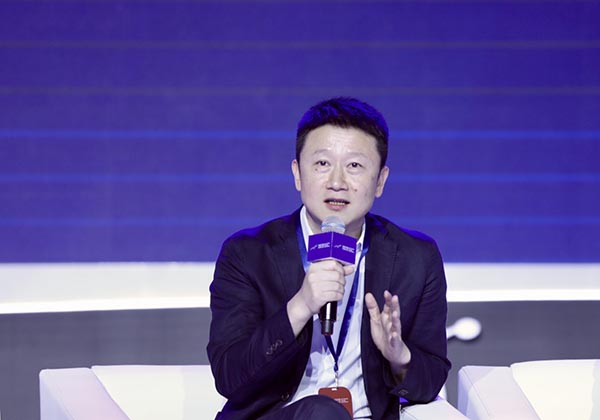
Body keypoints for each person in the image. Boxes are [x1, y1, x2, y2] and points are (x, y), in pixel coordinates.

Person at [207, 97, 450, 420]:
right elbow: (229, 377)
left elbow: (430, 379)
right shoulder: (248, 253)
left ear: (380, 181)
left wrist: (398, 356)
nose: (337, 182)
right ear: (297, 174)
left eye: (354, 166)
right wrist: (301, 306)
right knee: (321, 413)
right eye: (322, 164)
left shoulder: (416, 258)